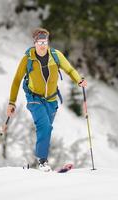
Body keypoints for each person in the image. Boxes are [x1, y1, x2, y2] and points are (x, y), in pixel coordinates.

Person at [5, 28, 87, 172]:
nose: (43, 45)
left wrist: (79, 80)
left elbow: (70, 70)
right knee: (45, 126)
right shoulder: (28, 58)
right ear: (35, 43)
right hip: (34, 97)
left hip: (51, 99)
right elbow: (17, 79)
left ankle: (38, 162)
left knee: (46, 129)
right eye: (40, 42)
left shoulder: (55, 56)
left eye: (45, 42)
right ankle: (42, 161)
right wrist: (12, 102)